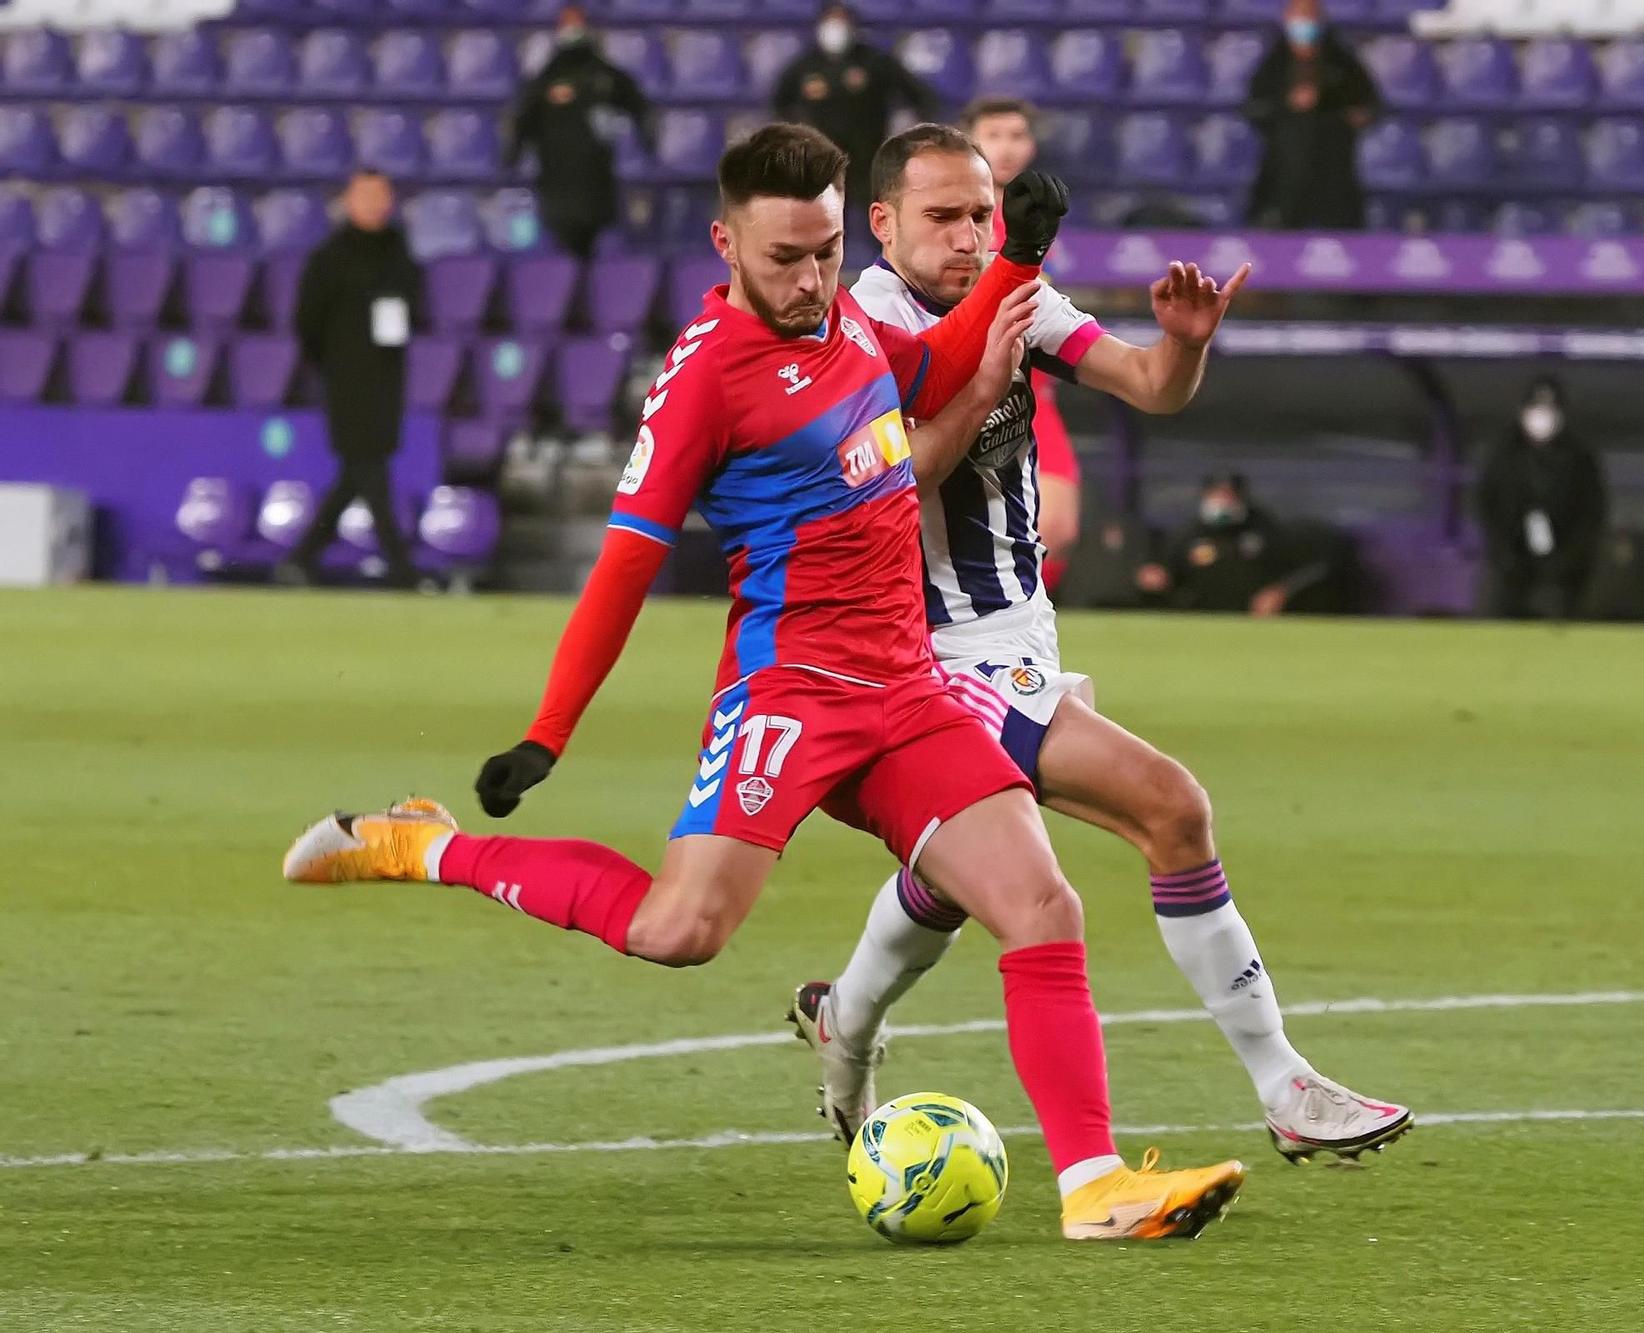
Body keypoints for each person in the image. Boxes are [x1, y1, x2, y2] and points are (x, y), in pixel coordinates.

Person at [280, 124, 1245, 1243]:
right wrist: (547, 734)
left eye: (827, 252)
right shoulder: (700, 382)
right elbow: (622, 570)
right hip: (790, 691)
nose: (810, 280)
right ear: (725, 242)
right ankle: (427, 845)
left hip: (907, 682)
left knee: (1041, 906)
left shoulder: (846, 315)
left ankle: (1092, 1187)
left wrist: (1019, 264)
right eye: (784, 257)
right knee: (679, 930)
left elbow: (930, 372)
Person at [788, 123, 1411, 1167]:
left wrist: (1186, 341)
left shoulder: (1015, 297)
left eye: (983, 216)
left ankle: (843, 1017)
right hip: (928, 652)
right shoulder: (858, 330)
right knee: (1169, 805)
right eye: (942, 217)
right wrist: (987, 369)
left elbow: (1148, 385)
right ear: (880, 225)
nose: (969, 237)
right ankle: (1281, 1083)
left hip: (1017, 636)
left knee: (950, 879)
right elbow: (892, 484)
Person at [283, 169, 423, 588]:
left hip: (386, 377)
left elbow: (413, 304)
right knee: (369, 468)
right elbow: (307, 320)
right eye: (366, 195)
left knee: (356, 472)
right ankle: (400, 566)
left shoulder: (399, 252)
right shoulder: (329, 257)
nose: (375, 203)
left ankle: (303, 555)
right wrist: (328, 363)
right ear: (348, 201)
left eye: (382, 194)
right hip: (345, 378)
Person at [964, 97, 1082, 586]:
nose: (1007, 148)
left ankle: (1026, 630)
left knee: (1058, 526)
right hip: (967, 384)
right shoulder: (959, 219)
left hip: (1033, 387)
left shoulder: (1038, 216)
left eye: (1017, 136)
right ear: (969, 140)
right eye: (994, 135)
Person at [504, 4, 651, 259]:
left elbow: (639, 106)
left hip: (596, 183)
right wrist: (511, 157)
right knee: (565, 249)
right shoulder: (546, 80)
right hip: (557, 184)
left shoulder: (605, 77)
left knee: (593, 250)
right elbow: (523, 120)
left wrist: (648, 143)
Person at [772, 3, 935, 220]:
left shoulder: (873, 61)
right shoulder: (805, 66)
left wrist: (913, 131)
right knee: (823, 223)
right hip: (823, 161)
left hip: (869, 159)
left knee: (881, 220)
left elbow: (919, 95)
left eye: (841, 21)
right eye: (831, 21)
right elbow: (779, 103)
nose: (835, 28)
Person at [1476, 376, 1607, 620]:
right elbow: (1486, 504)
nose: (1541, 418)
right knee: (1501, 622)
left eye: (1549, 411)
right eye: (1535, 409)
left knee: (1558, 624)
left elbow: (1592, 512)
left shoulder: (1579, 457)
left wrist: (1568, 561)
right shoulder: (1504, 453)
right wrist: (1503, 554)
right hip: (1509, 567)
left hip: (1564, 572)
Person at [1243, 0, 1380, 230]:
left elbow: (1369, 104)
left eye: (1309, 16)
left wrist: (1348, 112)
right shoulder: (1274, 64)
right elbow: (1254, 108)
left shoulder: (1341, 62)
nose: (1303, 23)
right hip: (1285, 171)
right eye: (1298, 16)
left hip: (1334, 168)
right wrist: (1287, 104)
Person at [1136, 472, 1318, 616]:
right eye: (1216, 495)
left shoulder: (1264, 527)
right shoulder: (1189, 532)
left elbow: (1297, 570)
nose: (1222, 502)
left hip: (1254, 619)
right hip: (1200, 617)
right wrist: (1156, 576)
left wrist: (1279, 592)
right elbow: (1166, 572)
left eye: (1228, 495)